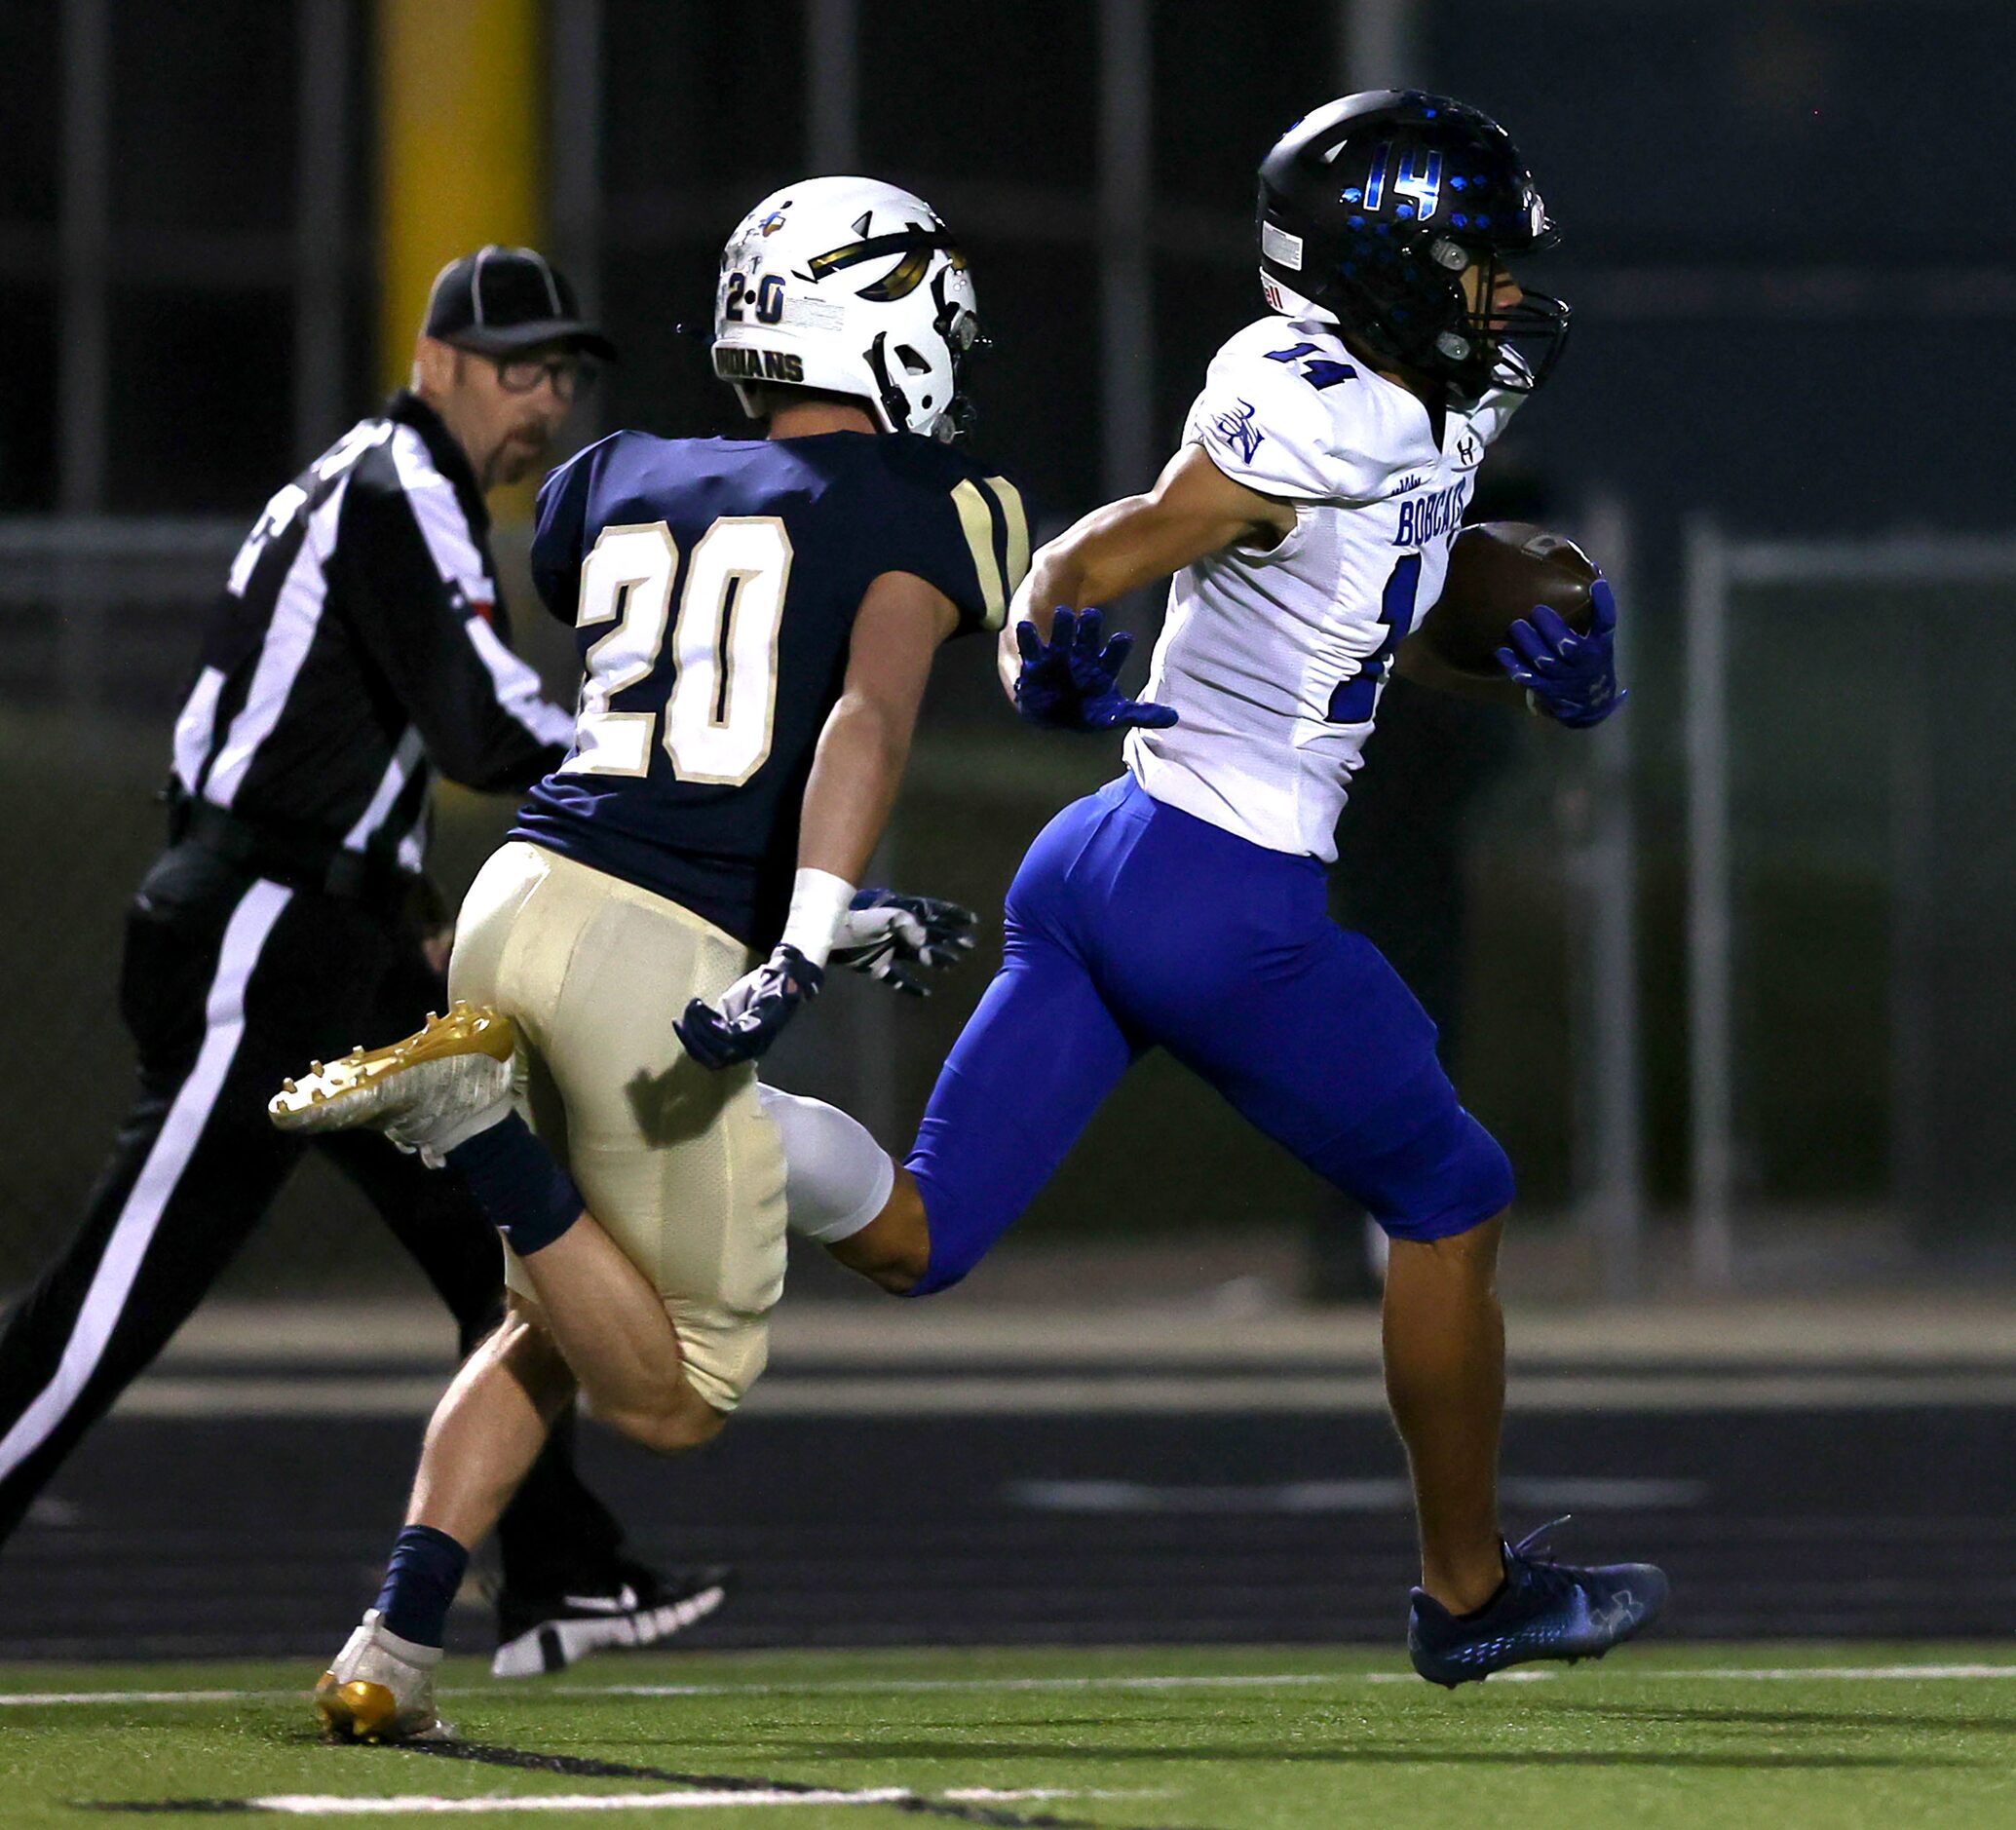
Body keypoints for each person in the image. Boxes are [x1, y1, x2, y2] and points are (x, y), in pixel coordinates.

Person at [285, 94, 1664, 1697]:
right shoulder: (1319, 410)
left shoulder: (1405, 404)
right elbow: (1114, 543)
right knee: (1455, 1196)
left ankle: (738, 1142)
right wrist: (1053, 629)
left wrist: (1523, 663)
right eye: (1473, 261)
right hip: (1224, 897)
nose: (1502, 292)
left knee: (921, 1238)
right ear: (1386, 271)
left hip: (1095, 864)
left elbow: (1365, 606)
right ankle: (1462, 1589)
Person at [274, 178, 1028, 1743]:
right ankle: (471, 1127)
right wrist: (812, 924)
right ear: (885, 331)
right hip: (649, 947)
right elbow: (859, 718)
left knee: (555, 1316)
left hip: (522, 886)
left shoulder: (617, 474)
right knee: (670, 1391)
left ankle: (390, 1645)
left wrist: (821, 905)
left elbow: (685, 732)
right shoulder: (930, 501)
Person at [0, 245, 727, 1680]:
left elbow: (367, 738)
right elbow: (477, 723)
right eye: (521, 367)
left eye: (565, 373)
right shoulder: (401, 484)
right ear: (437, 357)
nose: (546, 400)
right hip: (266, 932)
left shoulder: (393, 489)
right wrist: (662, 761)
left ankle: (562, 1573)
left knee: (522, 1249)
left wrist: (415, 913)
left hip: (335, 936)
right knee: (119, 1291)